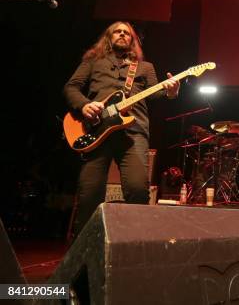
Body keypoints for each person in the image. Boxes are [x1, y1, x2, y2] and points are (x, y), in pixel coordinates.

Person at [64, 21, 179, 236]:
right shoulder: (93, 62)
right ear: (109, 37)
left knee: (137, 190)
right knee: (89, 194)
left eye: (127, 33)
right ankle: (83, 256)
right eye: (117, 31)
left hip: (133, 132)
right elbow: (71, 87)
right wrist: (85, 105)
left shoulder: (145, 67)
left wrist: (171, 92)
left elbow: (156, 93)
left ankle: (131, 244)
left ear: (133, 40)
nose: (122, 34)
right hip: (96, 133)